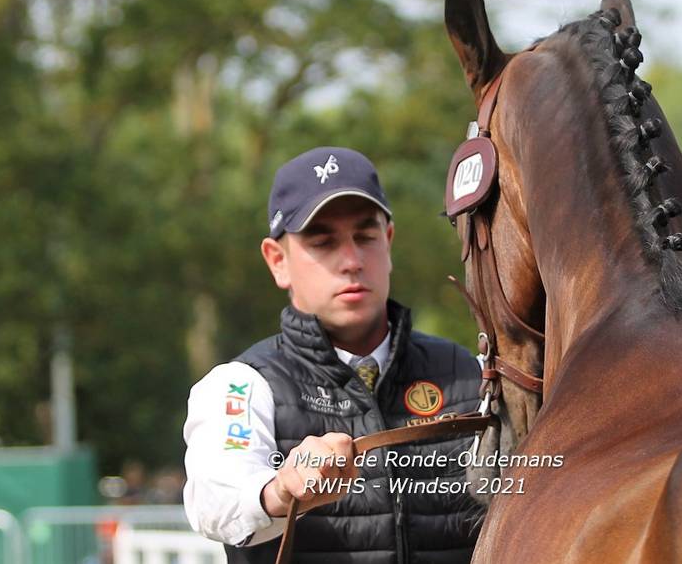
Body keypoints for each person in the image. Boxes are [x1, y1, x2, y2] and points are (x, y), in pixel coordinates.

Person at [183, 146, 483, 563]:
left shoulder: (472, 373)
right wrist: (281, 490)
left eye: (366, 237)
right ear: (277, 261)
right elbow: (215, 501)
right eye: (323, 242)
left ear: (388, 241)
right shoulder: (240, 385)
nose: (352, 261)